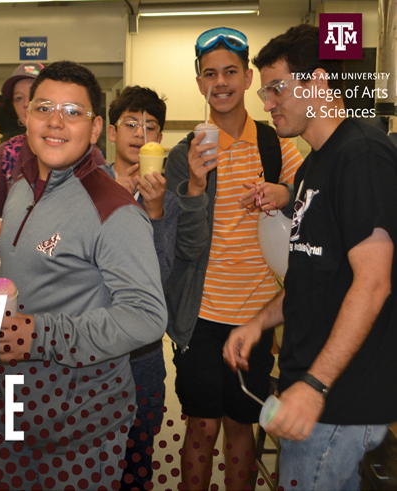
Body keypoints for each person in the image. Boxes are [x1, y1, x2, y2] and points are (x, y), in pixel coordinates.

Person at [0, 61, 167, 490]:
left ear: (97, 128)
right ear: (26, 116)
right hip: (18, 405)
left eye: (73, 112)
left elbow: (146, 316)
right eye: (44, 107)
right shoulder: (22, 185)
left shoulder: (113, 208)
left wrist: (37, 335)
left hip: (80, 420)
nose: (56, 121)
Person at [223, 24, 397, 491]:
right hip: (313, 391)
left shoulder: (361, 154)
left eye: (277, 87)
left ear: (318, 82)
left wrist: (316, 386)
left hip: (340, 401)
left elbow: (374, 282)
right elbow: (312, 276)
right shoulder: (312, 164)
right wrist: (259, 323)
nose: (267, 101)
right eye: (264, 91)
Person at [164, 27, 303, 490]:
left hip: (259, 317)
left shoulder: (275, 144)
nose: (220, 82)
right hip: (201, 317)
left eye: (230, 72)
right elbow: (183, 248)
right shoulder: (185, 155)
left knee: (242, 426)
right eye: (210, 74)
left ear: (247, 78)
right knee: (201, 426)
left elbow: (311, 202)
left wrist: (284, 192)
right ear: (199, 82)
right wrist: (197, 188)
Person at [104, 85, 184, 490]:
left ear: (160, 141)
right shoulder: (86, 186)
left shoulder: (165, 199)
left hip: (143, 356)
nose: (140, 133)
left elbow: (161, 274)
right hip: (94, 351)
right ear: (111, 131)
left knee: (137, 463)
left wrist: (153, 214)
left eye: (150, 127)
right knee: (91, 462)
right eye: (131, 123)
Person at [0, 62, 44, 218]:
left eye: (33, 95)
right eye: (19, 98)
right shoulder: (6, 153)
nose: (26, 104)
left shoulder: (76, 149)